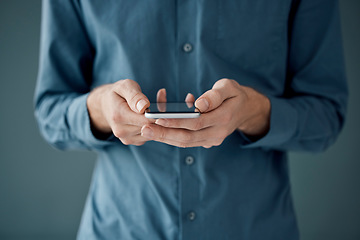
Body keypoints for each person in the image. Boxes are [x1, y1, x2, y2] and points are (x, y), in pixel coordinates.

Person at [34, 0, 348, 239]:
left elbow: (326, 115)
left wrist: (254, 111)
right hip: (122, 227)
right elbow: (51, 112)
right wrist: (102, 108)